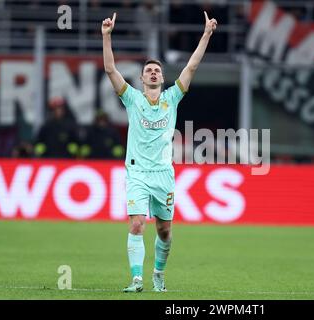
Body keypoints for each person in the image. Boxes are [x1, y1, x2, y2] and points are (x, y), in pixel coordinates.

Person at [102, 11, 217, 293]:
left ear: (162, 78)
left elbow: (190, 68)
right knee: (138, 224)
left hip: (164, 174)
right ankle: (137, 279)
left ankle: (158, 273)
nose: (153, 73)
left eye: (157, 71)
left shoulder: (172, 98)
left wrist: (206, 35)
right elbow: (110, 70)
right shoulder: (131, 98)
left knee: (164, 231)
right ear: (141, 79)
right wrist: (106, 36)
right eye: (148, 71)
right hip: (137, 172)